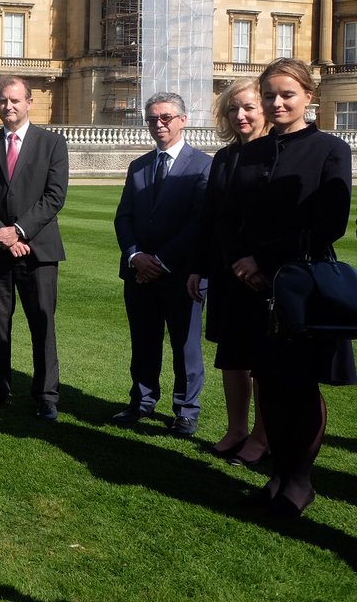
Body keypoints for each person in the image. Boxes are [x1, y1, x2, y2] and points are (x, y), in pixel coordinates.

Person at [225, 58, 355, 517]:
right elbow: (235, 218)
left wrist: (263, 259)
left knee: (299, 386)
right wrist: (244, 263)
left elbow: (328, 223)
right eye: (269, 95)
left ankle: (299, 482)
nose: (276, 103)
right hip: (252, 286)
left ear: (308, 97)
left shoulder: (329, 149)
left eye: (287, 94)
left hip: (301, 283)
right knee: (270, 385)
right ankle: (277, 476)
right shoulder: (249, 152)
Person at [0, 75, 68, 421]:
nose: (8, 106)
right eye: (2, 101)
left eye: (14, 100)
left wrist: (20, 231)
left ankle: (46, 395)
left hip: (38, 251)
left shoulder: (52, 144)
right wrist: (1, 233)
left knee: (42, 324)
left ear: (29, 103)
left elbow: (54, 197)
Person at [112, 92, 212, 435]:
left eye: (166, 117)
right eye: (152, 118)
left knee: (185, 344)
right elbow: (123, 218)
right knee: (143, 340)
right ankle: (141, 400)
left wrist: (162, 260)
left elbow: (199, 223)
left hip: (181, 273)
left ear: (183, 120)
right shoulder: (138, 165)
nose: (158, 124)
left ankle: (186, 409)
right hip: (139, 272)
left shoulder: (202, 164)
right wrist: (136, 256)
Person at [186, 79, 270, 466]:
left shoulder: (276, 153)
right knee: (232, 356)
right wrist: (197, 267)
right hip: (225, 273)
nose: (240, 115)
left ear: (265, 109)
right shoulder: (224, 157)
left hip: (263, 274)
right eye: (234, 109)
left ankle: (262, 434)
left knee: (264, 359)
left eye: (249, 107)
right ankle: (237, 428)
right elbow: (211, 219)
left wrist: (260, 261)